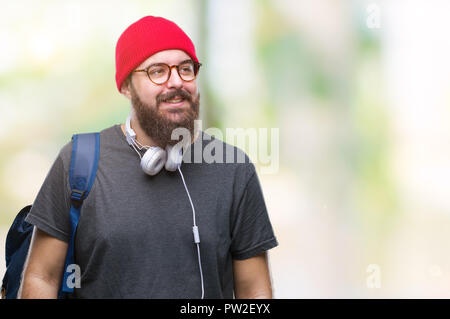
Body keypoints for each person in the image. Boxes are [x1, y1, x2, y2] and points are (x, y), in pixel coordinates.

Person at [18, 16, 278, 299]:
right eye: (158, 71)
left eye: (186, 68)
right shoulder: (77, 161)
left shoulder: (234, 170)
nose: (176, 81)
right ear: (127, 86)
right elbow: (42, 276)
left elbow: (254, 290)